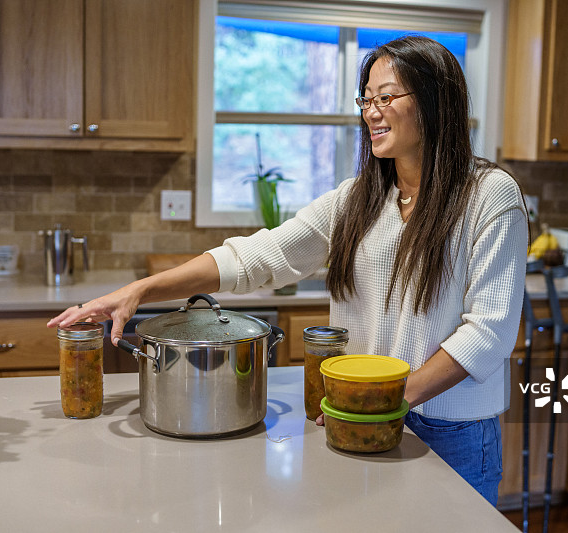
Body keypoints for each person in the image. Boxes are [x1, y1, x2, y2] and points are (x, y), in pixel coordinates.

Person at [48, 35, 528, 506]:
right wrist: (139, 291)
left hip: (449, 430)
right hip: (357, 414)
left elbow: (488, 333)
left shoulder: (489, 196)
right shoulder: (357, 198)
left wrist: (383, 400)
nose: (371, 112)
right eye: (366, 98)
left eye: (386, 97)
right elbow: (254, 257)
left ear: (434, 101)